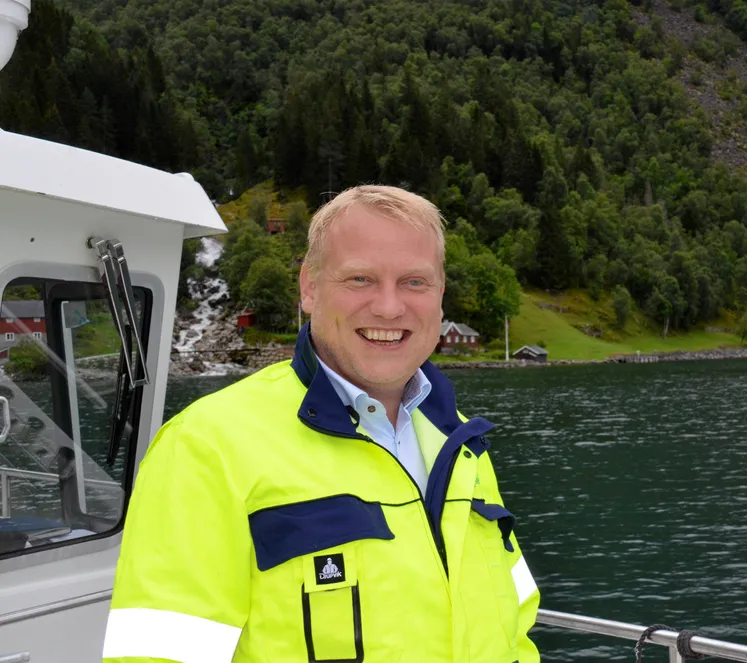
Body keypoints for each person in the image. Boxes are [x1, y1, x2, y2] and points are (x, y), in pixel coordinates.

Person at [101, 185, 541, 663]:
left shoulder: (460, 441)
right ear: (309, 287)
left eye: (415, 281)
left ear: (440, 295)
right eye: (360, 279)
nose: (389, 307)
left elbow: (514, 625)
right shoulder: (205, 448)